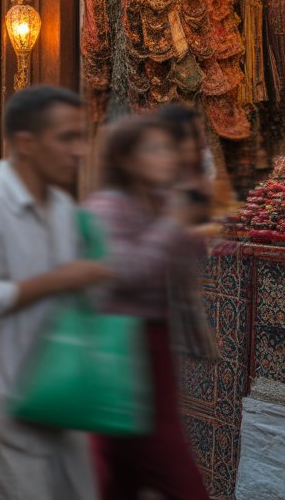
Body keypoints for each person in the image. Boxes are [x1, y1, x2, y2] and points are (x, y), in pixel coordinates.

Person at [0, 86, 111, 499]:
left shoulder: (63, 210)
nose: (80, 151)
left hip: (58, 396)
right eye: (66, 138)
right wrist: (60, 279)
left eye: (81, 137)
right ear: (26, 143)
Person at [84, 116, 211, 500]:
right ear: (126, 159)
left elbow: (181, 265)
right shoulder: (106, 207)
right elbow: (128, 271)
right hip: (121, 349)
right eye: (154, 150)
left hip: (151, 349)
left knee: (117, 473)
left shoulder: (153, 205)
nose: (166, 158)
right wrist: (173, 222)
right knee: (164, 469)